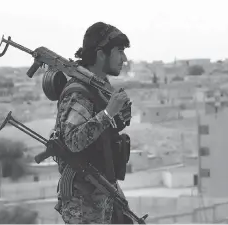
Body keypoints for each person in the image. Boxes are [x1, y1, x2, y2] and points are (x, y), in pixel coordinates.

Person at [53, 22, 132, 224]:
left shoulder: (98, 88)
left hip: (103, 188)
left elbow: (103, 136)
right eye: (119, 51)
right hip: (83, 201)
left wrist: (119, 116)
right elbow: (73, 140)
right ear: (100, 54)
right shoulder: (79, 93)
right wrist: (108, 113)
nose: (124, 58)